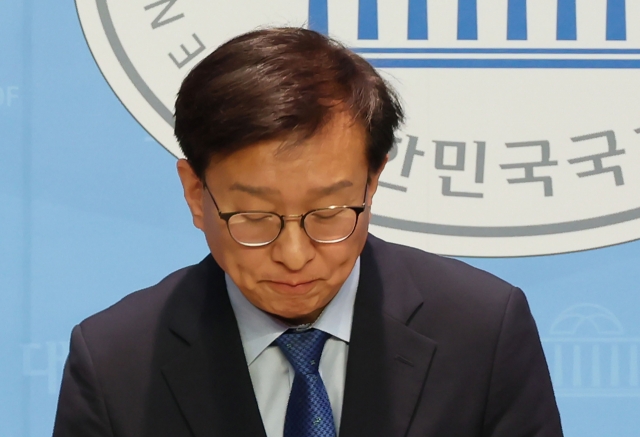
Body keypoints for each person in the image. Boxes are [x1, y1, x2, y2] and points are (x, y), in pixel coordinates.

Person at [52, 27, 563, 437]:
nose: (294, 256)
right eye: (254, 218)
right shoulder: (117, 362)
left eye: (329, 212)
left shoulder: (482, 331)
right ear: (195, 193)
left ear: (374, 180)